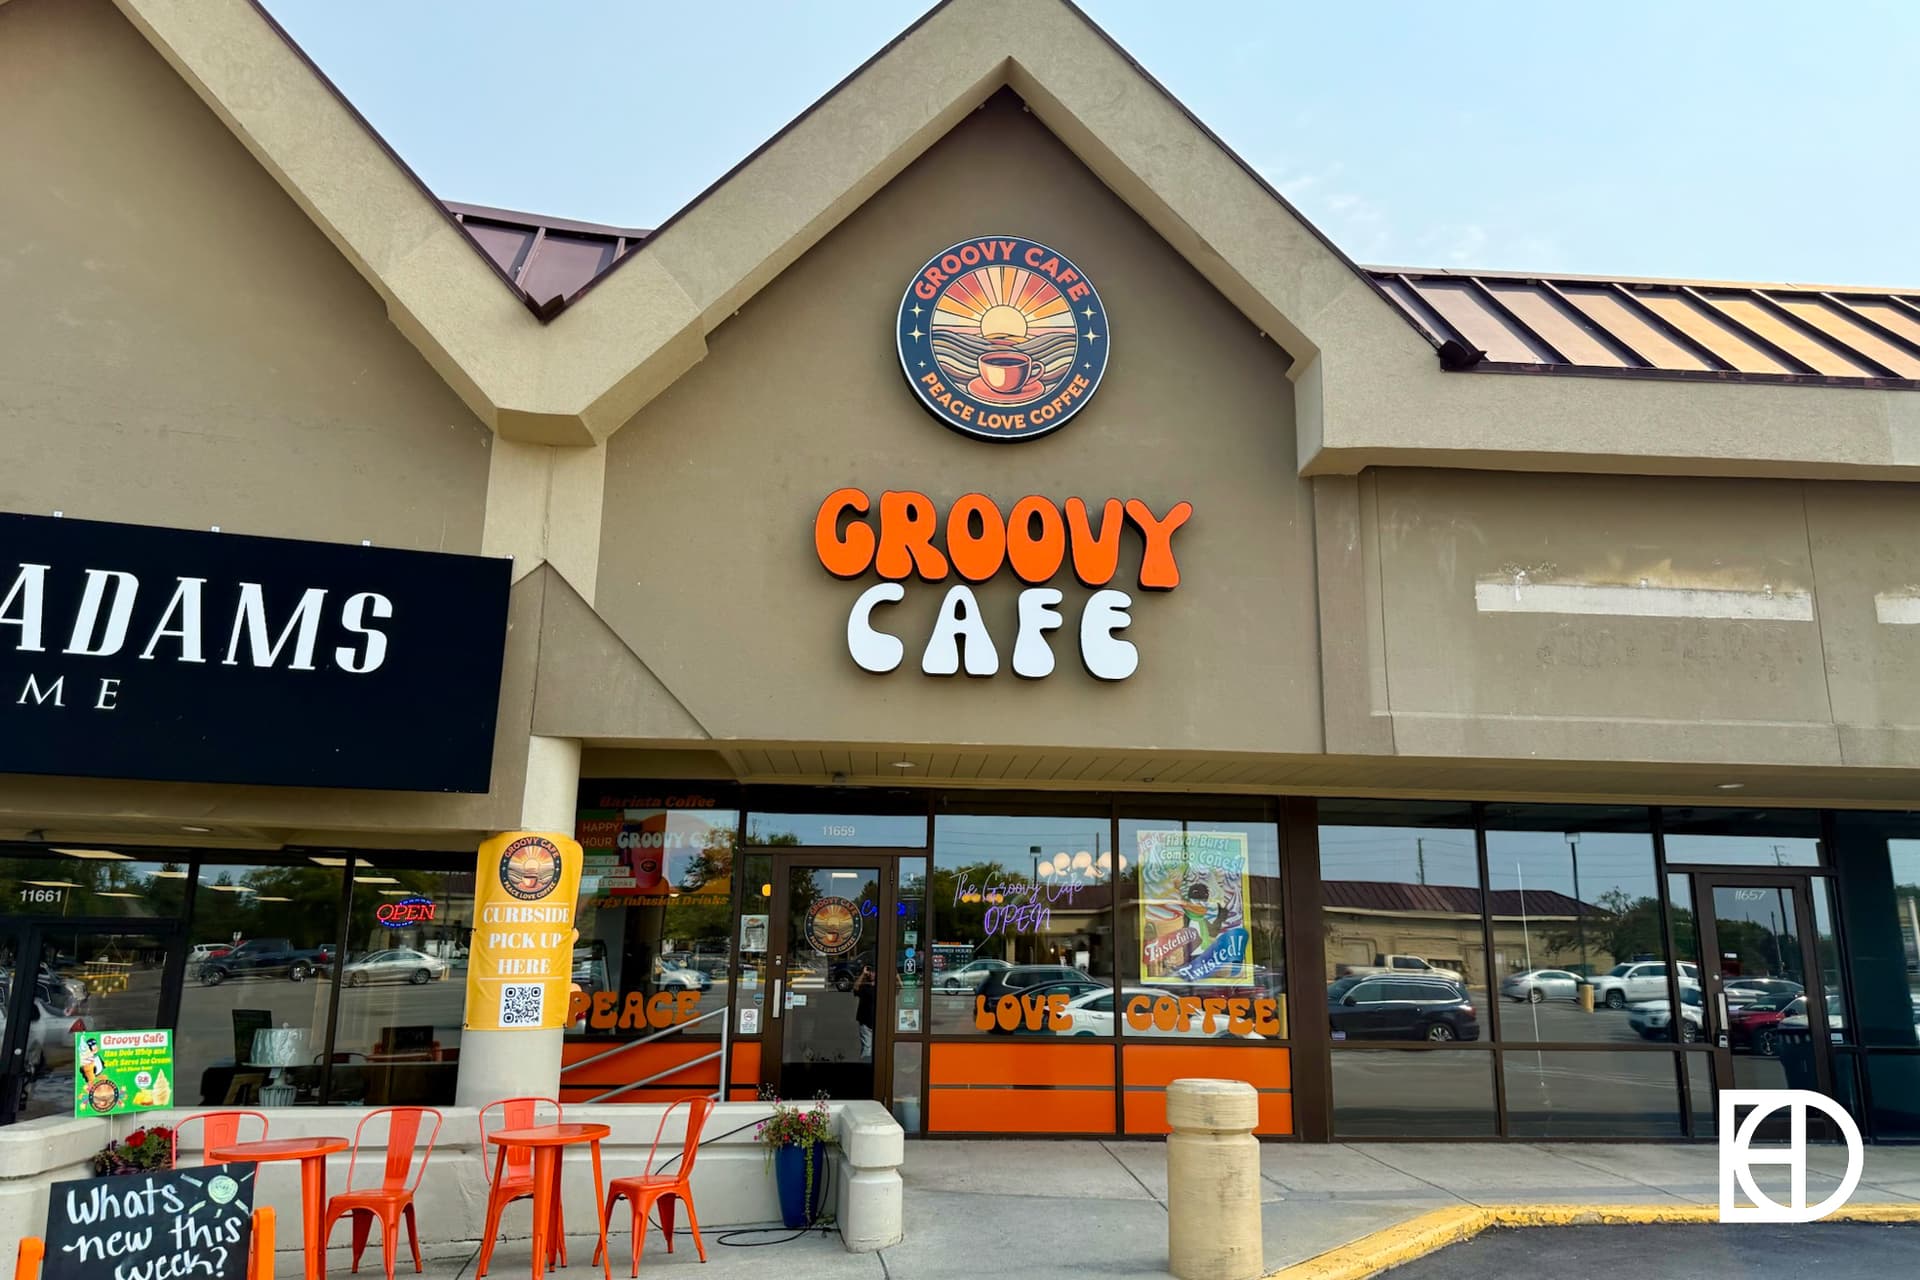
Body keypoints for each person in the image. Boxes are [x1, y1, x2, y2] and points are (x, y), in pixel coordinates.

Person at [853, 960, 876, 1060]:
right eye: (870, 972)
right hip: (865, 1021)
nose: (871, 974)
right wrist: (863, 974)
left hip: (878, 1022)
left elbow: (899, 987)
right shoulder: (864, 986)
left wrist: (895, 974)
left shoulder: (882, 986)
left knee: (877, 1047)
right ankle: (865, 1065)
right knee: (867, 1047)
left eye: (873, 972)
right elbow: (855, 988)